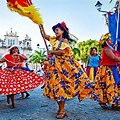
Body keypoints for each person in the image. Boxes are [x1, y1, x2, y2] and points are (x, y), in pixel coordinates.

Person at [39, 22, 94, 119]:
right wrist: (41, 26)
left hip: (65, 68)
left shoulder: (65, 41)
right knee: (57, 88)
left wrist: (52, 51)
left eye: (57, 30)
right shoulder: (53, 40)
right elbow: (44, 35)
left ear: (62, 31)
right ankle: (61, 108)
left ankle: (61, 109)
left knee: (62, 87)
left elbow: (63, 52)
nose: (55, 32)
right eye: (54, 30)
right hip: (55, 68)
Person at [91, 33, 120, 109]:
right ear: (106, 41)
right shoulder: (106, 49)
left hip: (112, 68)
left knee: (113, 85)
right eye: (110, 39)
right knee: (108, 85)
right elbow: (113, 58)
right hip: (107, 69)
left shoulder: (111, 49)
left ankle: (114, 102)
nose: (111, 40)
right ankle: (106, 101)